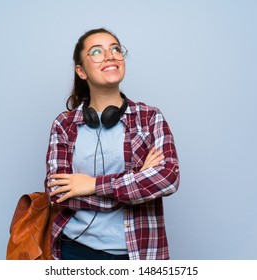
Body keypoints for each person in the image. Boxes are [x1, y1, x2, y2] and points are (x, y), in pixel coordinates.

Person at [45, 28, 180, 260]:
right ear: (81, 71)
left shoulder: (149, 118)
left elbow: (167, 179)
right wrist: (137, 181)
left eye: (115, 49)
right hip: (75, 251)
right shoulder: (64, 125)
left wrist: (91, 185)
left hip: (139, 251)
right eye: (97, 52)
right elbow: (57, 192)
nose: (110, 56)